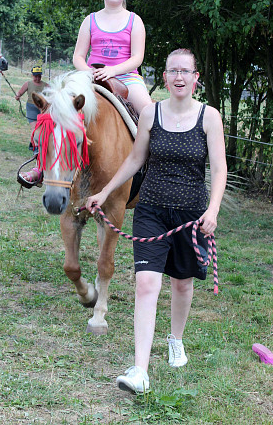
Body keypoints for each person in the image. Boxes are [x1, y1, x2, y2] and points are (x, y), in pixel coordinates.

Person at [86, 48, 227, 394]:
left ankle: (175, 338)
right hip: (151, 211)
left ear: (195, 78)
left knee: (181, 283)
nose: (179, 77)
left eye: (186, 71)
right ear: (164, 78)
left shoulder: (209, 117)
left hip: (191, 215)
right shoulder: (150, 114)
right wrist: (104, 193)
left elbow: (220, 169)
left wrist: (213, 210)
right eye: (172, 71)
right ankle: (140, 370)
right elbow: (135, 160)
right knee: (147, 284)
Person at [73, 0, 152, 115]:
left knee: (149, 113)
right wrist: (89, 72)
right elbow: (78, 57)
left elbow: (137, 58)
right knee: (62, 103)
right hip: (92, 76)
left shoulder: (135, 21)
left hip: (126, 78)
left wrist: (112, 71)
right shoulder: (89, 20)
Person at [15, 66, 48, 164]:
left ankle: (38, 144)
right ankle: (36, 147)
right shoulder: (28, 84)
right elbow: (20, 93)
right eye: (35, 76)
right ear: (32, 75)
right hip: (31, 108)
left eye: (39, 76)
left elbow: (52, 94)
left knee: (42, 128)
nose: (37, 78)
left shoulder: (46, 85)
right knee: (34, 128)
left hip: (42, 109)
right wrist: (18, 96)